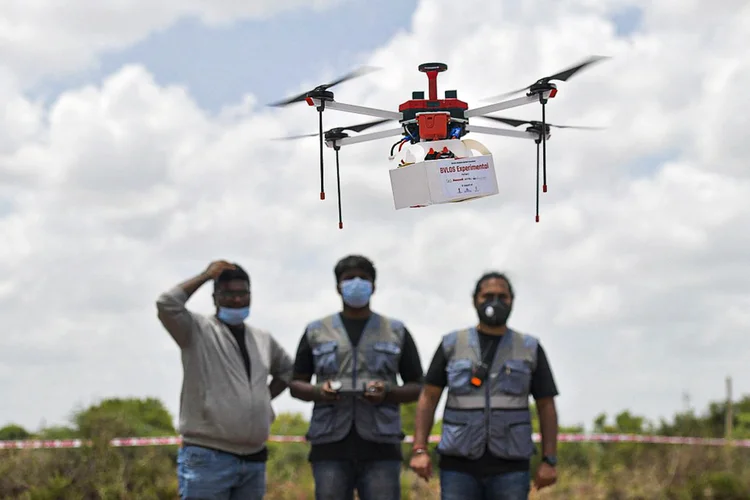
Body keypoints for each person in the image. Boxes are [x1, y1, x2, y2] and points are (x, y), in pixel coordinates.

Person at [409, 271, 559, 500]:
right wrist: (420, 450)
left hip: (511, 467)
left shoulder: (529, 347)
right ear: (474, 300)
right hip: (458, 467)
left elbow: (546, 405)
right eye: (487, 296)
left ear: (512, 301)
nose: (495, 302)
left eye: (502, 296)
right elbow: (428, 398)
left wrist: (549, 459)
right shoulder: (452, 344)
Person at [156, 260, 294, 500]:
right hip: (208, 457)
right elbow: (167, 304)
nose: (237, 300)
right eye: (229, 294)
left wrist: (260, 398)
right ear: (215, 297)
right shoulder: (196, 330)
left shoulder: (261, 339)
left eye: (243, 293)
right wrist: (205, 275)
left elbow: (288, 371)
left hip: (253, 459)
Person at [289, 254, 424, 500]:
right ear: (338, 286)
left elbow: (417, 386)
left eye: (364, 278)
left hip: (381, 446)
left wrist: (388, 391)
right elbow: (296, 385)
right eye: (349, 278)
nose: (357, 283)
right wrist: (319, 391)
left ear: (373, 285)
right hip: (330, 446)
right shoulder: (316, 331)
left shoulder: (395, 331)